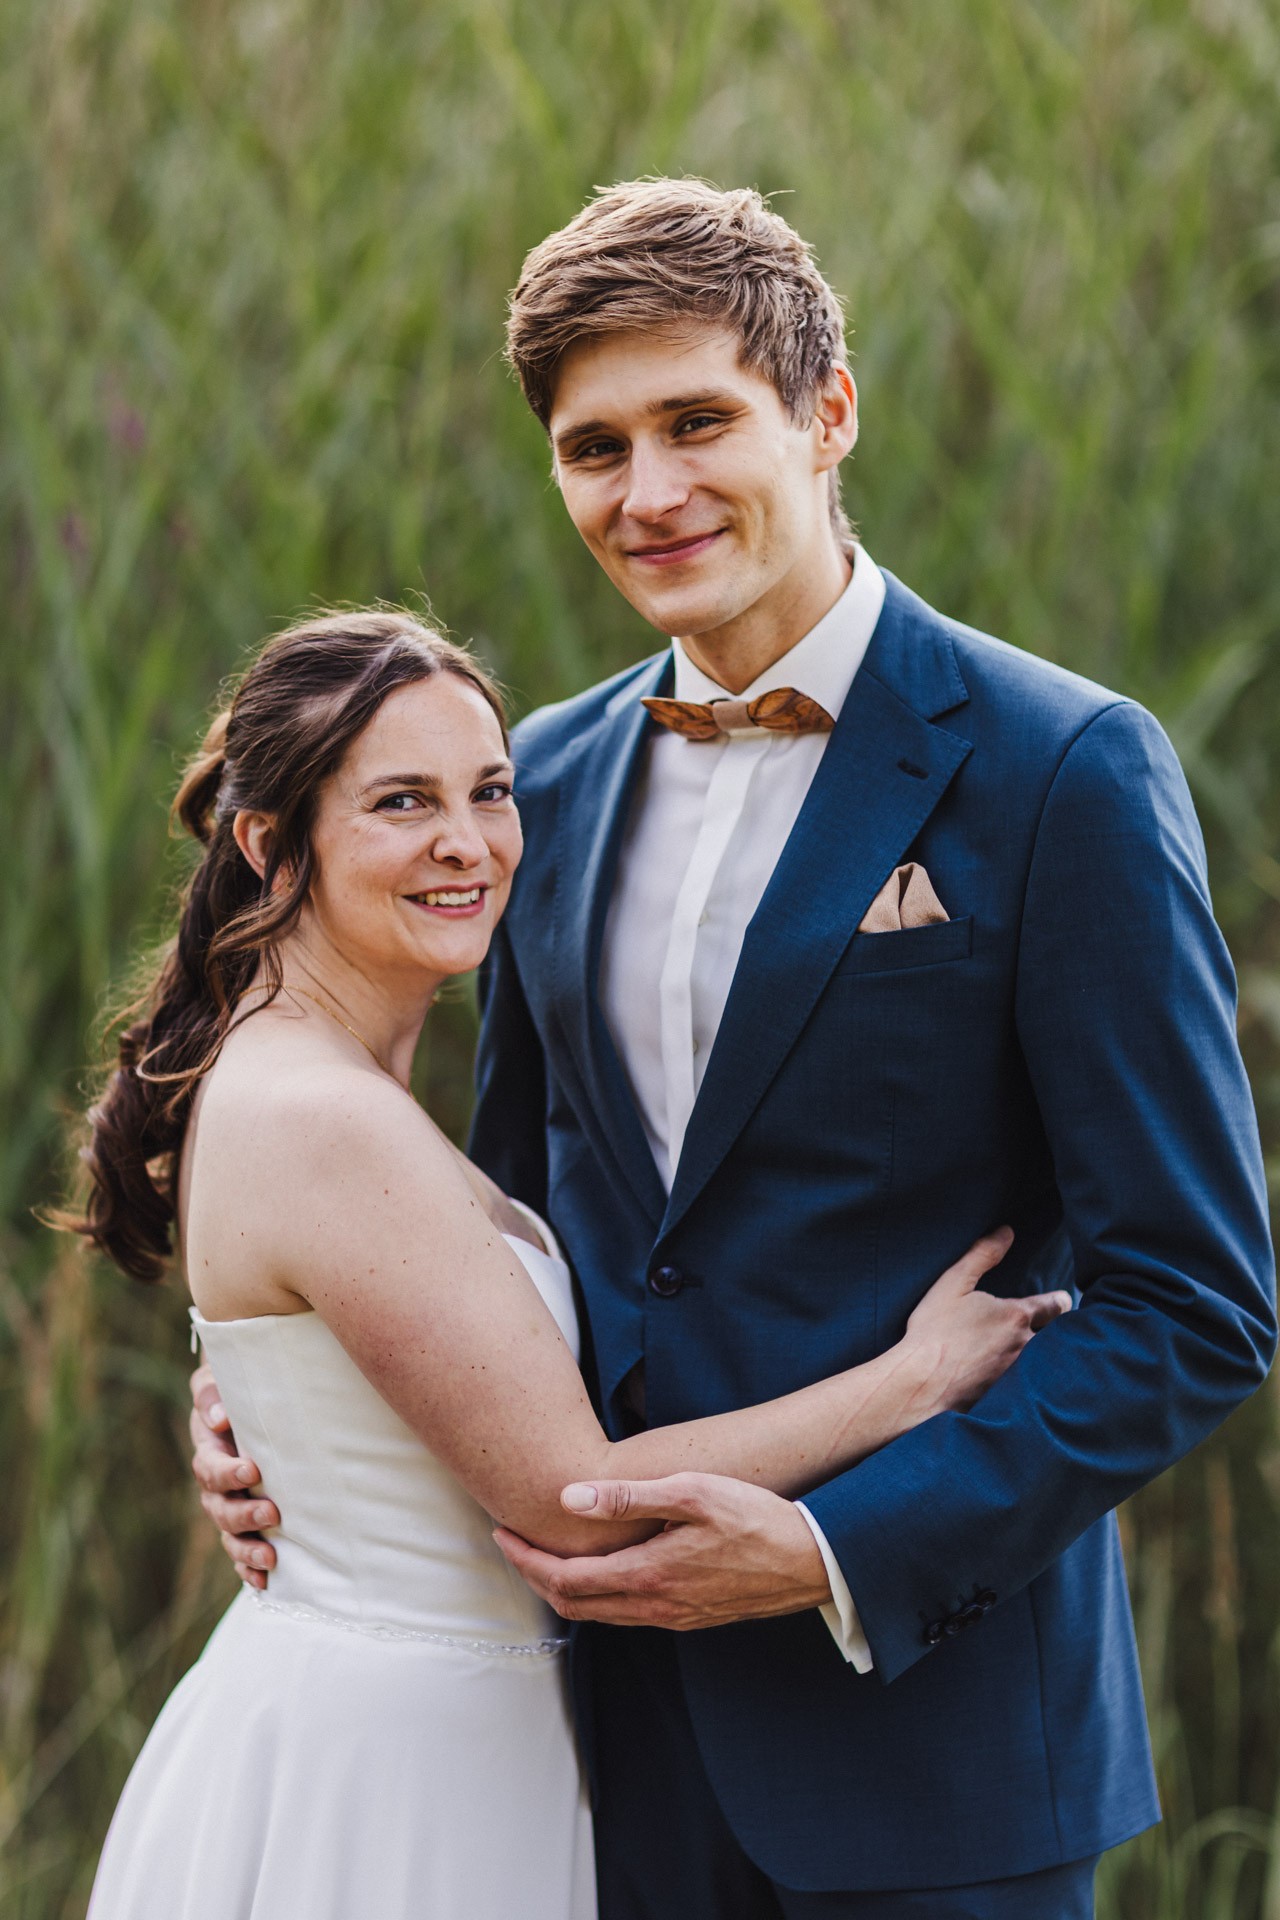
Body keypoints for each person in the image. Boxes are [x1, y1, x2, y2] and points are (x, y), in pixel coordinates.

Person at [192, 182, 1276, 1918]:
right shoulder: (537, 778)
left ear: (828, 411)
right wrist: (296, 1402)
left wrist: (842, 1553)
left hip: (939, 1749)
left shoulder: (1063, 765)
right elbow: (505, 1220)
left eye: (699, 422)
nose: (651, 493)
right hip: (595, 1742)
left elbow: (1195, 1302)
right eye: (594, 447)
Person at [75, 609, 1064, 1920]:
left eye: (489, 792)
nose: (468, 844)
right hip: (393, 1769)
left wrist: (281, 1419)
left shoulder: (317, 1067)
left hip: (434, 1714)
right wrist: (915, 1379)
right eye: (401, 803)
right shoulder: (319, 1113)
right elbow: (573, 1494)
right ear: (269, 841)